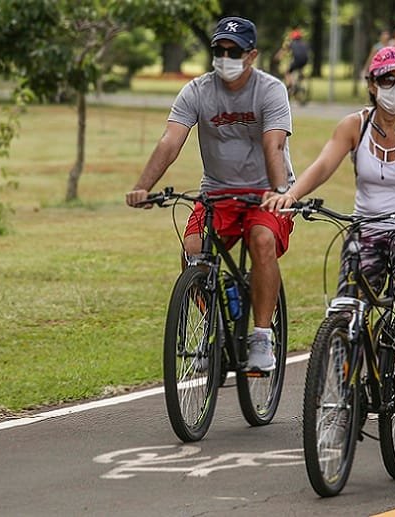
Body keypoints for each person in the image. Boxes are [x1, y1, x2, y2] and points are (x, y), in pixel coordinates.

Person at [263, 47, 395, 383]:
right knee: (349, 303)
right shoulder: (355, 125)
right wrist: (290, 195)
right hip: (367, 227)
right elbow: (323, 165)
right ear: (372, 84)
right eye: (387, 79)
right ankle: (341, 382)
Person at [126, 16, 295, 372]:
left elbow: (274, 145)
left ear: (251, 55)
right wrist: (144, 186)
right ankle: (213, 330)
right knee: (192, 252)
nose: (224, 56)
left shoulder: (270, 90)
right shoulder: (197, 91)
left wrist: (281, 192)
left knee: (262, 240)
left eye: (233, 51)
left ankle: (262, 337)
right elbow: (171, 141)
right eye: (219, 50)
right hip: (217, 192)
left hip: (266, 192)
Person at [282, 29, 310, 93]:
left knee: (287, 72)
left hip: (297, 60)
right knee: (300, 67)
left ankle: (290, 84)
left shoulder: (292, 43)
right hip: (305, 60)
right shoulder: (305, 43)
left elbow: (284, 51)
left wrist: (278, 57)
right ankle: (301, 77)